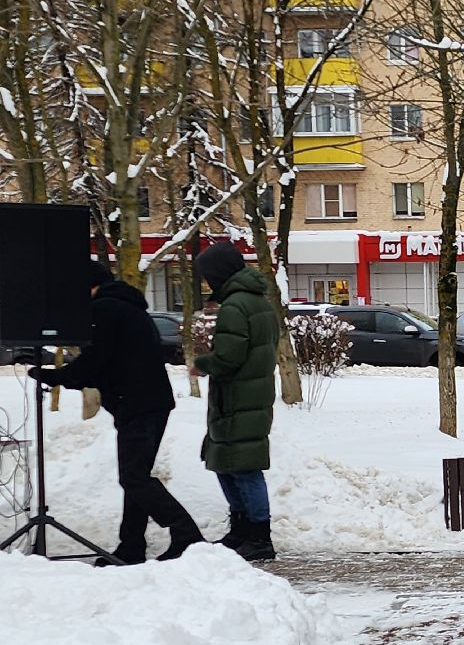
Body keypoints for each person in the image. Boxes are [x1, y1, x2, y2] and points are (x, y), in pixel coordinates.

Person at [29, 260, 204, 564]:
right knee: (135, 477)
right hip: (149, 403)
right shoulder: (130, 307)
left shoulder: (105, 310)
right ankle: (131, 547)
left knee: (134, 478)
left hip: (137, 404)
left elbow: (96, 361)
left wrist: (57, 376)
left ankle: (187, 535)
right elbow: (111, 360)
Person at [192, 241, 279, 562]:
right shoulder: (259, 303)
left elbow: (229, 358)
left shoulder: (234, 306)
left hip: (238, 398)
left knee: (243, 467)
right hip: (251, 396)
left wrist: (202, 364)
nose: (206, 282)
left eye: (207, 275)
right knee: (229, 464)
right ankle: (244, 531)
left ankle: (257, 536)